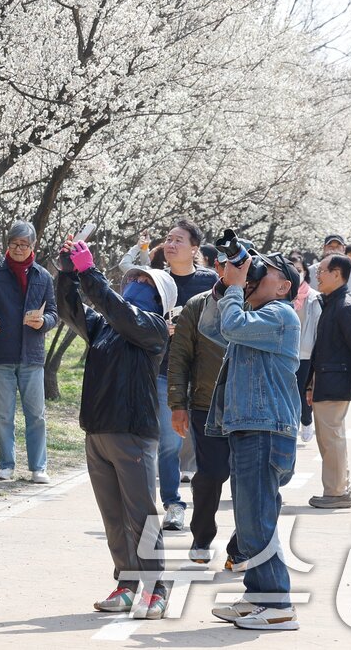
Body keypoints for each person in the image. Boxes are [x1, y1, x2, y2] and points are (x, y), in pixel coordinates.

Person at [58, 243, 171, 619]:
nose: (134, 281)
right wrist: (67, 275)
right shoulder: (105, 326)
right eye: (132, 278)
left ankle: (156, 588)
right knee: (112, 516)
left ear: (159, 296)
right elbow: (72, 312)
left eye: (143, 280)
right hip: (98, 430)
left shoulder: (153, 327)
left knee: (141, 514)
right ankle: (126, 583)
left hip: (132, 432)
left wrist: (91, 274)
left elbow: (119, 310)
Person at [203, 251, 303, 631]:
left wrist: (232, 288)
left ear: (283, 286)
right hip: (250, 426)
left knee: (257, 517)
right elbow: (212, 328)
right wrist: (224, 284)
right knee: (249, 519)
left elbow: (231, 327)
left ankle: (278, 603)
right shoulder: (251, 316)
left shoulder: (280, 315)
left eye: (268, 271)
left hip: (266, 429)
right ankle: (257, 597)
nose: (257, 273)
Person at [119, 220, 218, 531]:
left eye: (179, 240)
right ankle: (174, 503)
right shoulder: (155, 281)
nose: (171, 244)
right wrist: (159, 327)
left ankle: (206, 506)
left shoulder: (210, 282)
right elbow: (133, 316)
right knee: (169, 443)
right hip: (164, 371)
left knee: (207, 444)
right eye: (169, 239)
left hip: (203, 375)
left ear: (194, 249)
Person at [168, 253, 243, 569]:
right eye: (227, 263)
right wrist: (177, 404)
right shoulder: (197, 305)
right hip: (206, 407)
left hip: (249, 410)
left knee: (247, 480)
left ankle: (241, 547)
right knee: (210, 476)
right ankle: (202, 536)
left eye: (240, 265)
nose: (233, 270)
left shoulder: (260, 307)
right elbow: (180, 357)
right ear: (217, 267)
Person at [0, 221, 57, 483]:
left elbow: (53, 312)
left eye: (24, 244)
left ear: (33, 247)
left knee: (36, 414)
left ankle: (38, 467)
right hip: (0, 354)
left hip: (32, 354)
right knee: (3, 415)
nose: (18, 249)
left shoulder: (43, 276)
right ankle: (6, 464)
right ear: (7, 244)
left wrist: (45, 322)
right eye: (14, 244)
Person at [305, 254, 351, 509]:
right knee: (332, 438)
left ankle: (335, 492)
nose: (318, 275)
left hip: (335, 380)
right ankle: (341, 487)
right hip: (327, 379)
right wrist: (311, 384)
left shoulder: (345, 306)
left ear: (337, 274)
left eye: (322, 271)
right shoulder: (333, 302)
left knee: (331, 439)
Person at [290, 253, 321, 446]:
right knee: (288, 391)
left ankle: (307, 420)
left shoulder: (313, 297)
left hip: (306, 353)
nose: (296, 273)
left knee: (302, 391)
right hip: (286, 352)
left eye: (299, 270)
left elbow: (318, 327)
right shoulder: (280, 295)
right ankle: (292, 425)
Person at [308, 235, 351, 318]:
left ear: (344, 249)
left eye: (338, 246)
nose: (334, 249)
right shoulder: (311, 271)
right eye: (330, 246)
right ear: (324, 248)